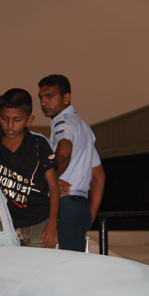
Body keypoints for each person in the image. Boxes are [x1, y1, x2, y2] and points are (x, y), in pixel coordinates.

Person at [0, 88, 59, 248]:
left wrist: (52, 225)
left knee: (40, 263)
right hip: (6, 225)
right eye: (4, 119)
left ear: (29, 120)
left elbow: (54, 187)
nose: (10, 126)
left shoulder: (38, 145)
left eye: (17, 120)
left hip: (39, 224)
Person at [38, 74, 105, 252]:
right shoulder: (84, 127)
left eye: (49, 96)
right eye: (41, 97)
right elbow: (99, 177)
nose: (44, 102)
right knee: (73, 262)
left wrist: (50, 180)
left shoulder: (63, 122)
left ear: (66, 98)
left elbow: (64, 152)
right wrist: (89, 215)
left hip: (64, 204)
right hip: (80, 207)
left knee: (58, 263)